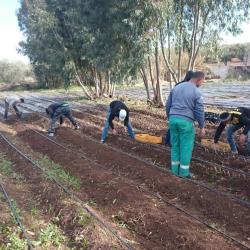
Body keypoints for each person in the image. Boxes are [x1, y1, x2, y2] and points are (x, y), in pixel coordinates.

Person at [166, 71, 206, 178]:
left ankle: (174, 170)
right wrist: (202, 126)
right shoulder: (196, 92)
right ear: (198, 79)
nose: (202, 84)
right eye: (202, 81)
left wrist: (170, 118)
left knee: (175, 146)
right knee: (186, 147)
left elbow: (168, 104)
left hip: (173, 119)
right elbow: (199, 110)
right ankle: (184, 173)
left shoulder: (176, 88)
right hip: (186, 122)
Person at [165, 70, 194, 146]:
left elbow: (169, 102)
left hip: (174, 110)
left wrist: (168, 113)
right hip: (183, 112)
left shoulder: (177, 85)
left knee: (173, 127)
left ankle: (167, 142)